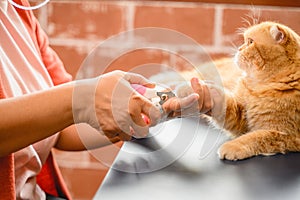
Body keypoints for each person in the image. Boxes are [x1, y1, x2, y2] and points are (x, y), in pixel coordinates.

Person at [0, 0, 217, 199]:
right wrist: (81, 98)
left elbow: (64, 129)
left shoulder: (18, 10)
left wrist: (148, 108)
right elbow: (71, 105)